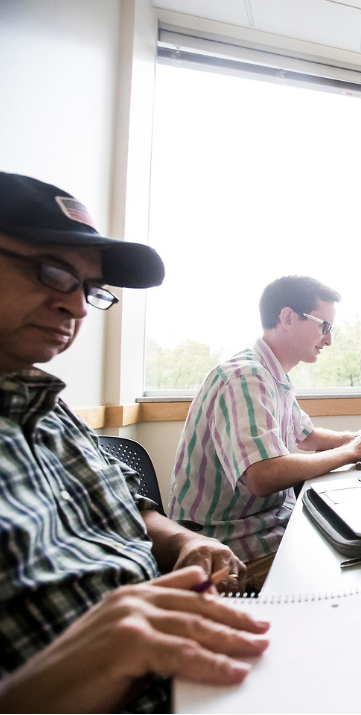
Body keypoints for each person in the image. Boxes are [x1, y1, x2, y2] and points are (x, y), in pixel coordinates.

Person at [0, 172, 269, 712]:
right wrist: (65, 677)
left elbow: (132, 506)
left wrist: (181, 543)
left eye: (88, 289)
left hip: (192, 674)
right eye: (53, 273)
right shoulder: (245, 374)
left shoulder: (49, 409)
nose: (77, 309)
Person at [169, 276, 361, 590]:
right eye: (324, 326)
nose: (329, 340)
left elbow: (306, 435)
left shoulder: (273, 374)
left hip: (266, 523)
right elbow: (264, 475)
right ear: (287, 317)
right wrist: (351, 452)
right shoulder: (247, 375)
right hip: (229, 544)